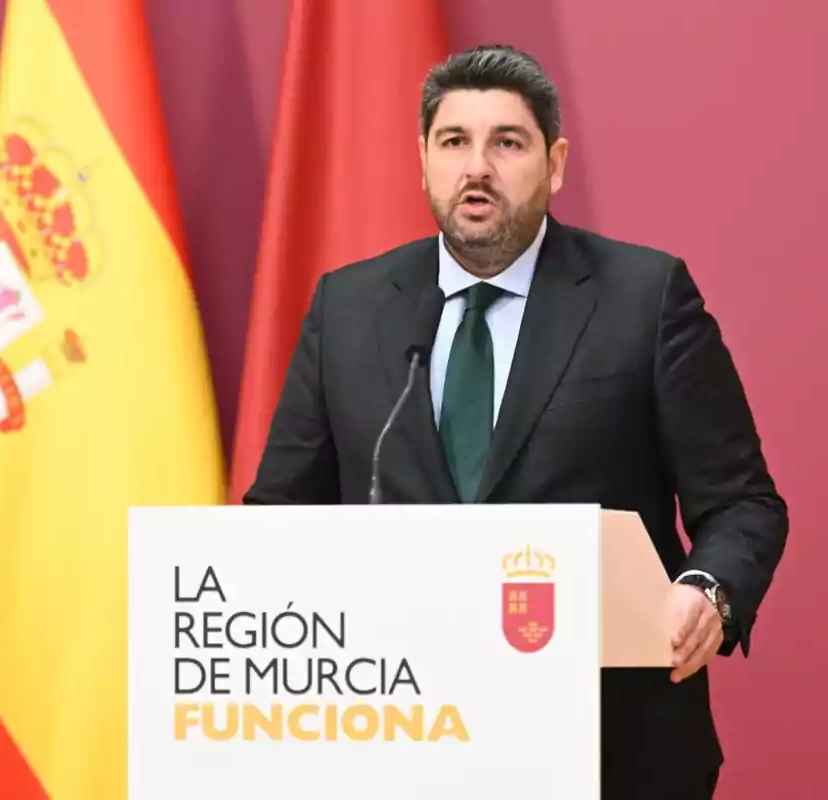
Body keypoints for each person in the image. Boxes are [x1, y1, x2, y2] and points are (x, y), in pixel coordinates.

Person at [242, 43, 788, 799]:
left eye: (507, 142)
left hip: (608, 743)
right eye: (454, 142)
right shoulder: (349, 307)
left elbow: (742, 502)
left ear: (554, 164)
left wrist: (709, 589)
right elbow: (279, 513)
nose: (477, 167)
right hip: (400, 744)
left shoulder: (644, 297)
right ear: (425, 162)